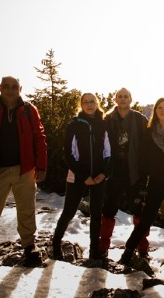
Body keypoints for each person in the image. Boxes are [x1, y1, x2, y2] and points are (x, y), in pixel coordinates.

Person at [0, 76, 47, 269]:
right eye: (6, 86)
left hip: (25, 170)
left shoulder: (29, 110)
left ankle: (29, 246)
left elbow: (39, 138)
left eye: (14, 87)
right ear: (0, 87)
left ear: (20, 88)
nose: (10, 90)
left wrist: (41, 166)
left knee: (27, 210)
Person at [119, 97, 164, 276]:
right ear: (155, 111)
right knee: (146, 218)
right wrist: (142, 184)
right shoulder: (149, 133)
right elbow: (143, 161)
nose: (163, 110)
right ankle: (128, 252)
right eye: (160, 107)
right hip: (156, 182)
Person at [52, 93, 111, 260]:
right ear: (81, 105)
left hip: (99, 176)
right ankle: (56, 244)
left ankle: (94, 251)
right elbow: (68, 154)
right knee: (69, 211)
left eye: (92, 101)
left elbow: (108, 152)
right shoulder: (74, 125)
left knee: (96, 214)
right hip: (77, 175)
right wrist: (84, 176)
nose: (89, 105)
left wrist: (103, 173)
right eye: (86, 102)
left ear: (97, 103)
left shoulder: (104, 124)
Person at [99, 88, 150, 259]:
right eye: (119, 97)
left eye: (125, 96)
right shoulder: (107, 119)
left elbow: (148, 144)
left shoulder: (140, 120)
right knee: (108, 209)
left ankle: (142, 248)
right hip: (114, 170)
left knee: (139, 211)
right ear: (115, 99)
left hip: (133, 170)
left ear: (130, 99)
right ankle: (103, 246)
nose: (122, 99)